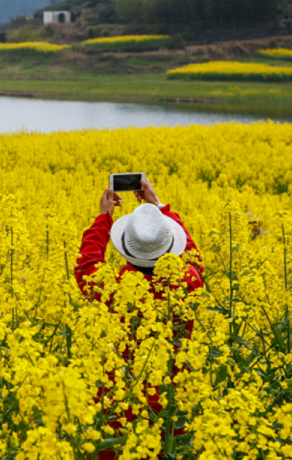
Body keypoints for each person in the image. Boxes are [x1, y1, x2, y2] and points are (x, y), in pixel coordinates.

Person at [75, 179, 204, 459]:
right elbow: (194, 257)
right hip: (174, 400)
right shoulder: (188, 282)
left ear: (126, 247)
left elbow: (86, 265)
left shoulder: (113, 287)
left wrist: (103, 219)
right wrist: (158, 206)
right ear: (171, 246)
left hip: (122, 400)